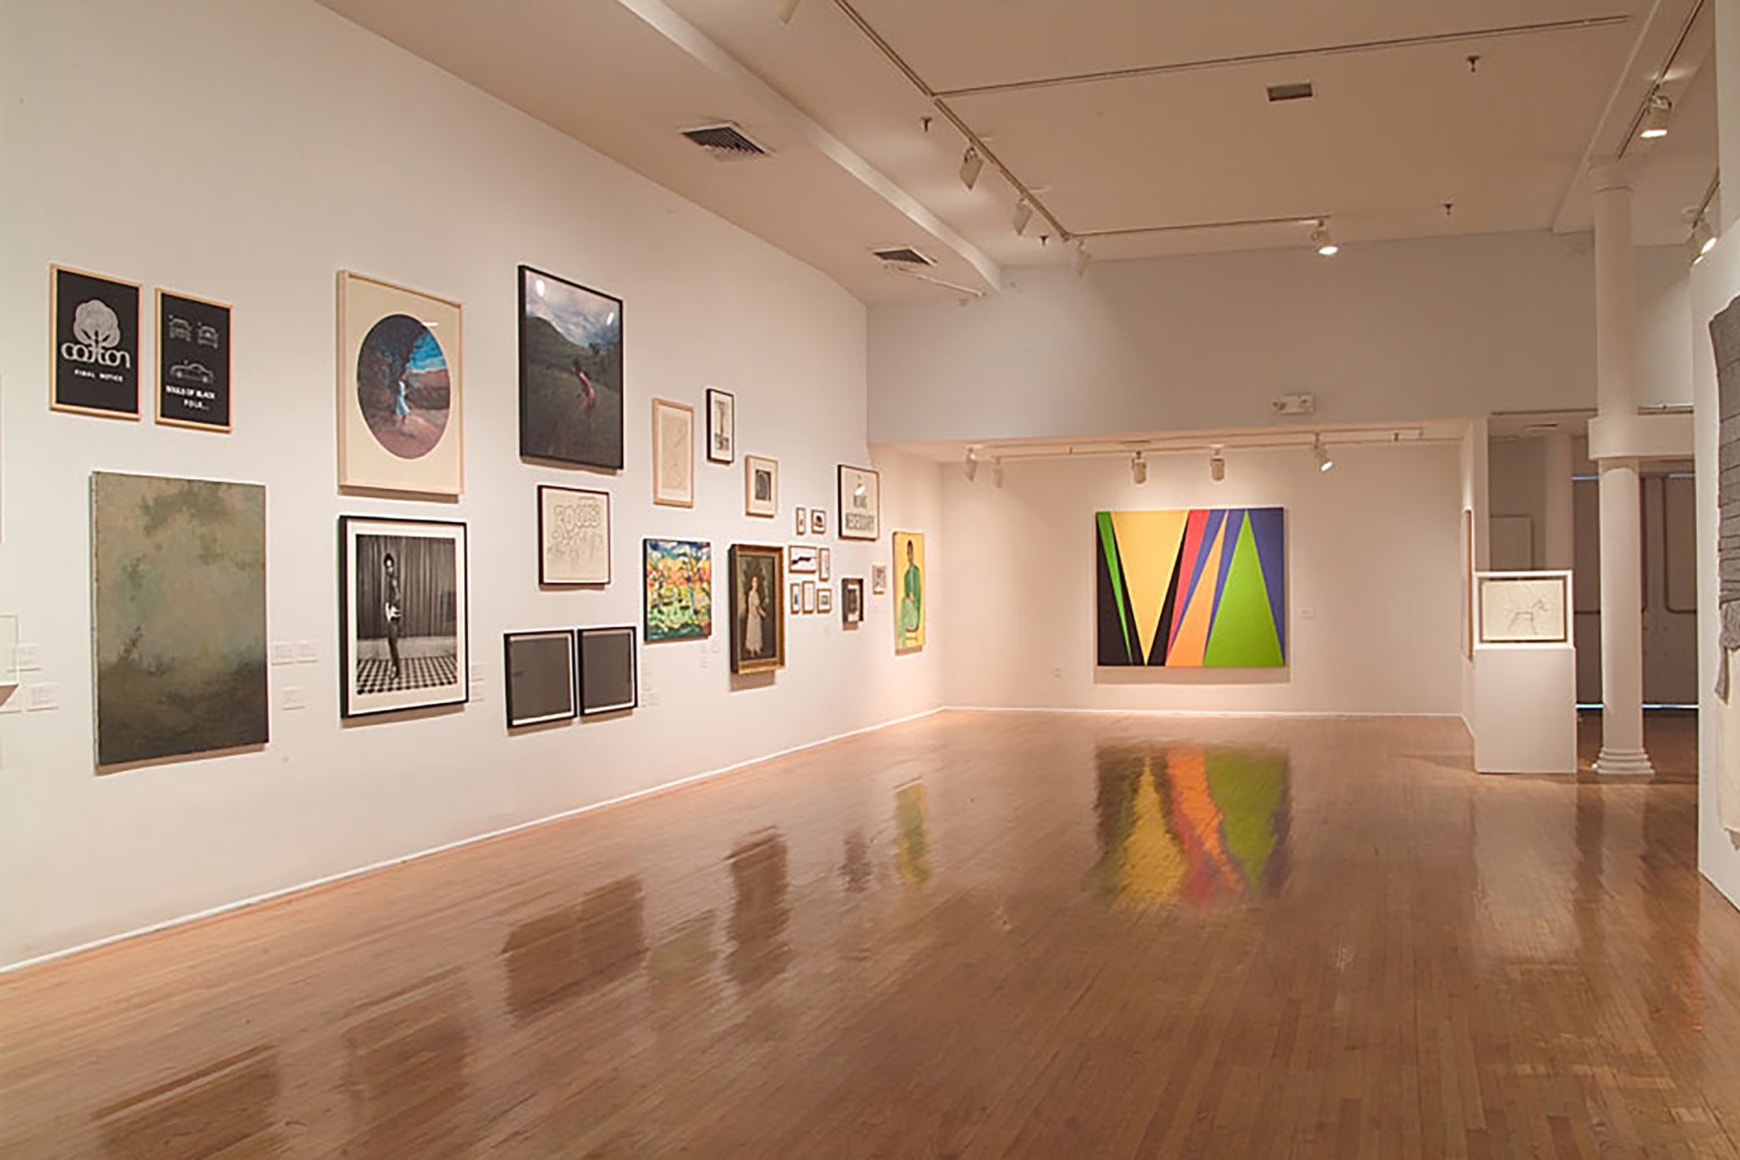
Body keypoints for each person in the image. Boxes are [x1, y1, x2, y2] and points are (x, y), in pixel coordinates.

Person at [382, 552, 403, 684]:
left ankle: (396, 669)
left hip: (394, 616)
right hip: (391, 615)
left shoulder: (393, 580)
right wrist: (387, 609)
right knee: (391, 643)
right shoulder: (390, 579)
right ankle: (395, 668)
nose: (389, 569)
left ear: (394, 566)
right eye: (387, 567)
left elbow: (397, 596)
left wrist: (392, 611)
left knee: (393, 643)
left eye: (391, 566)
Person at [899, 540, 922, 644]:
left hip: (915, 609)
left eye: (911, 552)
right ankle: (902, 632)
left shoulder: (916, 572)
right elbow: (906, 591)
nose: (910, 556)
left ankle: (906, 627)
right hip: (909, 608)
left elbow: (918, 592)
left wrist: (914, 598)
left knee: (905, 603)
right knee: (904, 602)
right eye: (908, 553)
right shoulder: (906, 574)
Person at [743, 571, 765, 658]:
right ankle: (751, 649)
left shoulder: (756, 594)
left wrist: (762, 613)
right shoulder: (751, 594)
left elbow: (758, 606)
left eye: (756, 582)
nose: (755, 584)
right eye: (754, 582)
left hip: (757, 617)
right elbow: (750, 606)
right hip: (752, 617)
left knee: (757, 633)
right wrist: (754, 613)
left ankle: (757, 648)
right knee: (752, 633)